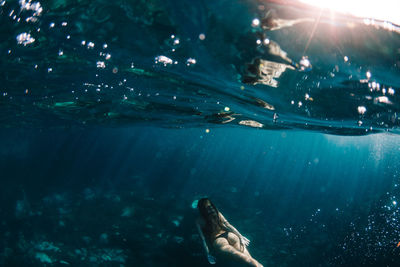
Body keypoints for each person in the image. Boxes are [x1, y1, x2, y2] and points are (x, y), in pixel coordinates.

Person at [196, 198, 263, 267]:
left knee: (240, 257)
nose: (210, 209)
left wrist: (208, 253)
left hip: (218, 240)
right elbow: (228, 225)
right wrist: (240, 236)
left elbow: (203, 239)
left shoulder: (199, 220)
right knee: (248, 258)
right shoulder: (217, 213)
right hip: (230, 235)